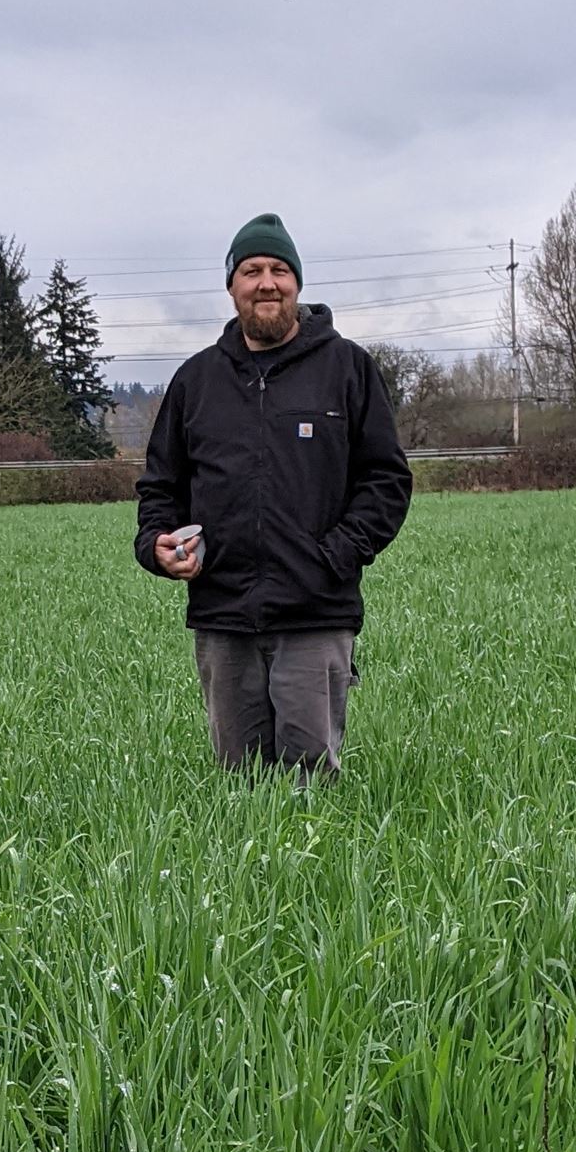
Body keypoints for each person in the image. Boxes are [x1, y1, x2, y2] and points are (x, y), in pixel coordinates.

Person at [135, 213, 413, 780]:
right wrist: (156, 547)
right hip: (224, 617)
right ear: (232, 286)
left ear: (298, 283)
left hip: (315, 612)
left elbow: (386, 481)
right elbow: (160, 488)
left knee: (311, 780)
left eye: (280, 270)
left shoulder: (348, 369)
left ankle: (318, 873)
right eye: (252, 270)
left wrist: (333, 557)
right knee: (239, 784)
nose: (267, 282)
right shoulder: (196, 382)